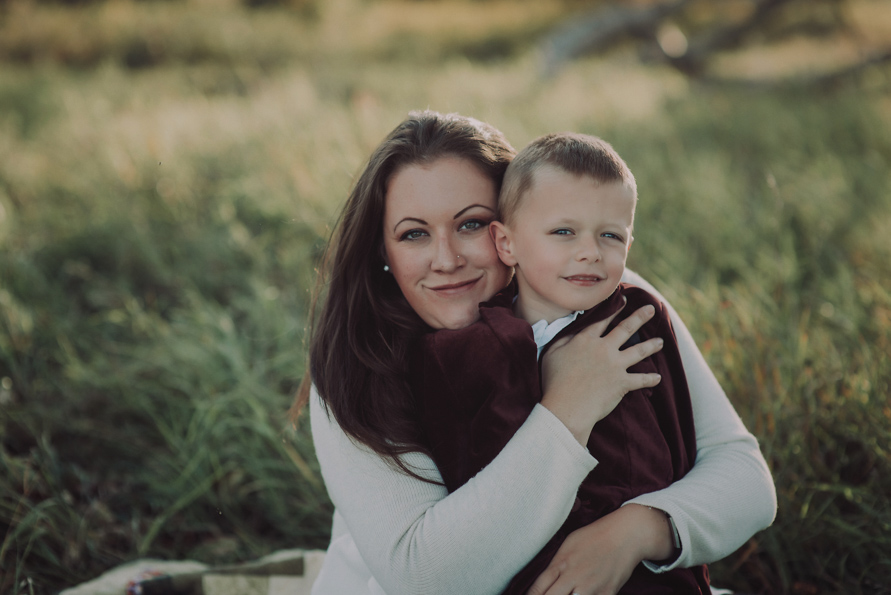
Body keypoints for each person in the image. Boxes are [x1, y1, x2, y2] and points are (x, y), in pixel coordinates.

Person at [295, 110, 776, 595]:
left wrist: (635, 532)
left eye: (471, 224)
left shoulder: (612, 305)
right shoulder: (358, 359)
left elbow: (745, 479)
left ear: (511, 230)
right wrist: (567, 407)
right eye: (414, 234)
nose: (446, 260)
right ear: (383, 251)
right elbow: (426, 578)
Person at [412, 132, 707, 594]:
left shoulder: (638, 319)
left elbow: (682, 441)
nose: (590, 251)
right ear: (506, 243)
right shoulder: (468, 354)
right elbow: (465, 490)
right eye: (563, 232)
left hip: (648, 570)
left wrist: (651, 533)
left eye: (611, 235)